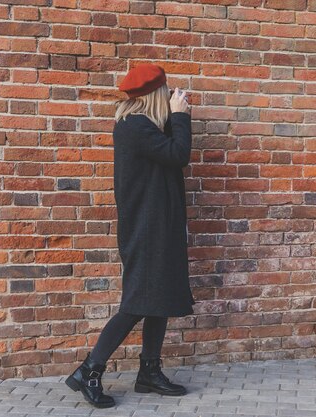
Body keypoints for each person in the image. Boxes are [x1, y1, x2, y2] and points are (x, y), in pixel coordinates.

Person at [65, 64, 194, 408]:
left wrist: (172, 117)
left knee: (159, 297)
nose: (170, 96)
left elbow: (164, 157)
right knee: (137, 301)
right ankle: (88, 371)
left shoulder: (142, 126)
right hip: (147, 229)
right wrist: (180, 117)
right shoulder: (136, 127)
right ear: (155, 95)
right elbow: (178, 155)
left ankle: (149, 372)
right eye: (165, 92)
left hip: (156, 226)